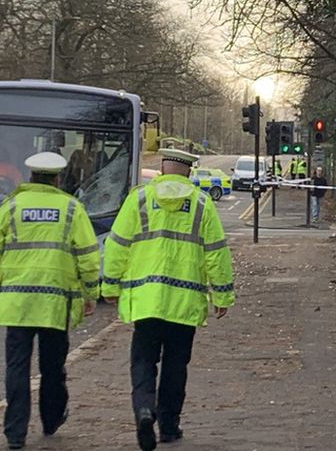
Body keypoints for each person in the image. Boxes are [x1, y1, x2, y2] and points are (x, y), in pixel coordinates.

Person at [102, 148, 235, 451]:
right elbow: (216, 252)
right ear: (188, 171)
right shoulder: (202, 204)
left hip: (146, 302)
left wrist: (110, 286)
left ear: (162, 168)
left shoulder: (138, 199)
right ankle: (170, 427)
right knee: (176, 366)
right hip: (184, 303)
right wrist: (222, 294)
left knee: (143, 361)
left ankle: (144, 410)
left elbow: (117, 245)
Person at [0, 151, 101, 450]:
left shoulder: (11, 207)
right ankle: (51, 418)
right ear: (58, 179)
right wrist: (90, 293)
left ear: (30, 177)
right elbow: (88, 256)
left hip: (17, 304)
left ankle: (15, 433)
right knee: (53, 366)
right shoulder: (72, 209)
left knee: (17, 368)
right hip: (54, 304)